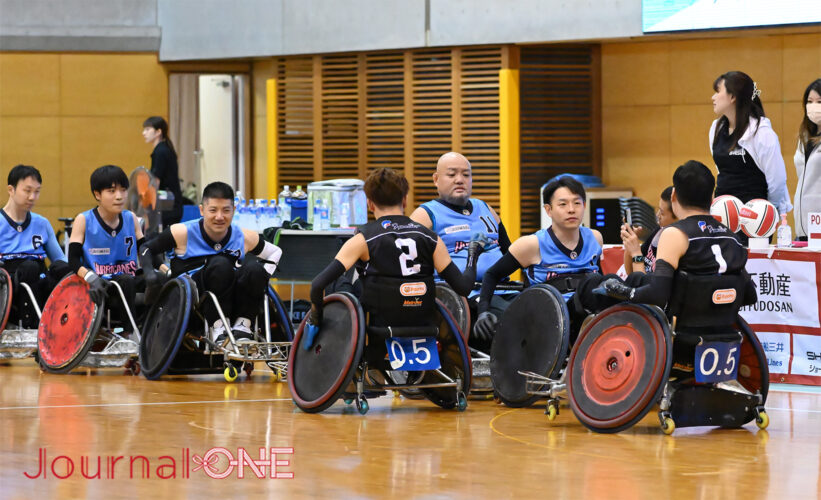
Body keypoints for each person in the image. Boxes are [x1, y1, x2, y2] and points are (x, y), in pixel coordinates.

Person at [304, 168, 489, 349]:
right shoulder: (431, 238)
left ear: (370, 204)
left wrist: (316, 318)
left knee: (337, 279)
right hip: (423, 321)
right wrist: (473, 254)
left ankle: (332, 340)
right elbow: (464, 287)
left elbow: (317, 285)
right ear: (405, 200)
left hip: (378, 324)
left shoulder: (363, 239)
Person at [593, 160, 757, 311]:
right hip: (725, 328)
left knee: (607, 285)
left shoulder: (674, 234)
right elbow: (750, 296)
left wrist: (624, 292)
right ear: (712, 197)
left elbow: (658, 295)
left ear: (674, 196)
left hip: (685, 331)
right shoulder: (732, 236)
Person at [139, 181, 282, 346]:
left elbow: (275, 252)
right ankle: (218, 327)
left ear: (234, 211)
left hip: (232, 295)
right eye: (213, 210)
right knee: (220, 264)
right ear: (202, 210)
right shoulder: (182, 232)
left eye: (226, 210)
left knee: (255, 269)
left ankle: (243, 326)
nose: (220, 217)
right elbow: (146, 248)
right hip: (195, 295)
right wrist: (150, 274)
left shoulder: (243, 236)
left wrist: (264, 276)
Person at [474, 176, 603, 343]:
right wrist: (483, 311)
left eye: (577, 203)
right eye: (563, 204)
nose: (571, 210)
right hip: (552, 314)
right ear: (548, 210)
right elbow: (492, 275)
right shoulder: (531, 244)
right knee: (594, 282)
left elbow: (599, 276)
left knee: (611, 283)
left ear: (584, 206)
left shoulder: (595, 238)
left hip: (588, 309)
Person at [410, 152, 513, 350]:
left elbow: (511, 253)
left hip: (503, 288)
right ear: (436, 179)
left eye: (466, 175)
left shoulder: (486, 209)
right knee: (513, 316)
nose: (460, 180)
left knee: (542, 311)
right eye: (452, 174)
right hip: (463, 295)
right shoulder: (425, 215)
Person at [709, 71, 791, 243]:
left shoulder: (762, 133)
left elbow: (777, 181)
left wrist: (766, 213)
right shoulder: (716, 128)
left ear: (732, 97)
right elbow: (721, 171)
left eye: (718, 91)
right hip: (723, 215)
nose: (713, 97)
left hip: (755, 218)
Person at [68, 165, 145, 328]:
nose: (119, 196)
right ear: (97, 194)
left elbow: (145, 250)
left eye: (123, 190)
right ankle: (129, 333)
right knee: (126, 281)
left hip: (127, 279)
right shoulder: (84, 219)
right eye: (111, 191)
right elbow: (73, 259)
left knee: (158, 283)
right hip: (99, 283)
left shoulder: (131, 218)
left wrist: (160, 271)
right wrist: (90, 277)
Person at [0, 165, 69, 327]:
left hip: (39, 279)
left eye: (37, 191)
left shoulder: (42, 223)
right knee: (29, 267)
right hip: (9, 283)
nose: (32, 197)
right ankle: (31, 326)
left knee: (63, 269)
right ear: (11, 190)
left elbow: (59, 259)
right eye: (27, 190)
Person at [622, 186, 676, 274]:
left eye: (662, 213)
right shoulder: (659, 230)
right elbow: (631, 274)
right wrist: (630, 244)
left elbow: (643, 283)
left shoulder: (674, 246)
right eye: (658, 209)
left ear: (677, 215)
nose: (658, 215)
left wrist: (636, 253)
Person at [142, 116, 183, 228]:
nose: (143, 133)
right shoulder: (164, 149)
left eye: (147, 129)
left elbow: (155, 182)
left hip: (167, 207)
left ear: (158, 132)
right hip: (171, 205)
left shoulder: (160, 151)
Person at [793, 78, 821, 240]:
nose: (814, 106)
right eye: (810, 101)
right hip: (803, 224)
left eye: (819, 101)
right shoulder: (804, 137)